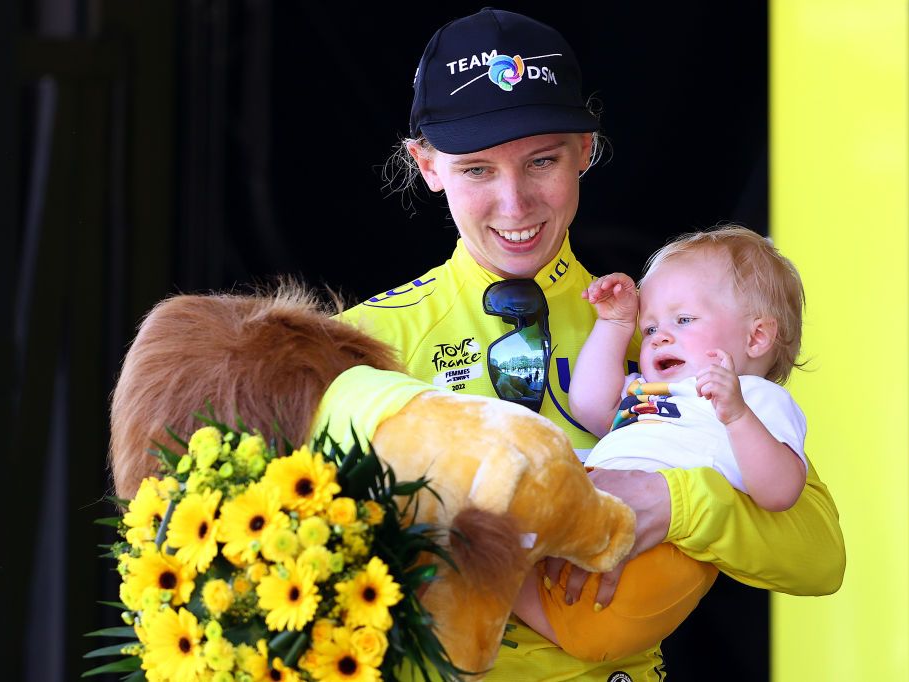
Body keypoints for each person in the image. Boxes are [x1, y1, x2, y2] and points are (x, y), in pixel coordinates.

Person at [339, 8, 844, 680]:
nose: (514, 204)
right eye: (477, 171)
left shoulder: (668, 331)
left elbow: (820, 556)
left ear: (585, 149)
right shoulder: (364, 341)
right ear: (427, 166)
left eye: (541, 160)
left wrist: (678, 503)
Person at [509, 226, 812, 660]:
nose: (659, 337)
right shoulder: (649, 392)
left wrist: (738, 416)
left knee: (588, 621)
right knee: (488, 518)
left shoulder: (757, 399)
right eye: (649, 327)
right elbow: (591, 405)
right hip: (587, 515)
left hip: (655, 548)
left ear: (756, 337)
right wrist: (615, 324)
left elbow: (780, 492)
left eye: (684, 320)